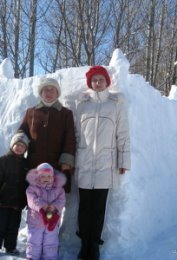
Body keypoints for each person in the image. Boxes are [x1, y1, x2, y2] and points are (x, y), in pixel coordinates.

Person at [74, 66, 131, 260]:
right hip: (84, 163)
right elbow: (75, 134)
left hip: (106, 164)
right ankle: (84, 244)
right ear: (90, 83)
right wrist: (72, 159)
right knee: (84, 208)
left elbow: (123, 135)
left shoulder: (116, 104)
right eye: (94, 80)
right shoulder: (82, 105)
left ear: (107, 82)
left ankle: (94, 245)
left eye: (101, 80)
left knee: (98, 209)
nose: (98, 83)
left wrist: (123, 160)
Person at [18, 77, 76, 193]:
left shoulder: (66, 113)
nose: (48, 92)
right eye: (46, 90)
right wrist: (18, 143)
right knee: (34, 200)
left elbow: (70, 138)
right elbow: (22, 132)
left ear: (57, 93)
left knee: (54, 202)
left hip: (57, 165)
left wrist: (66, 161)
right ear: (41, 93)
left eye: (52, 90)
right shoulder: (31, 112)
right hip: (35, 164)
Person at [0, 131, 30, 257]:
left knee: (13, 228)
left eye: (23, 146)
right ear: (12, 145)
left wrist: (27, 201)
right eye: (18, 145)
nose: (20, 148)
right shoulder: (2, 161)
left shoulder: (26, 164)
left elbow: (29, 183)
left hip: (17, 203)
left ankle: (10, 247)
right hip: (2, 202)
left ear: (25, 149)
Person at [25, 162, 66, 260]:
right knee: (34, 239)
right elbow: (31, 200)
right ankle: (32, 257)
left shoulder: (58, 189)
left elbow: (61, 200)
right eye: (43, 176)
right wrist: (42, 205)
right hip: (36, 220)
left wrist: (54, 206)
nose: (46, 178)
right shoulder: (32, 188)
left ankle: (50, 257)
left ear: (53, 177)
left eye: (49, 176)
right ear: (38, 177)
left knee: (51, 240)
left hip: (52, 220)